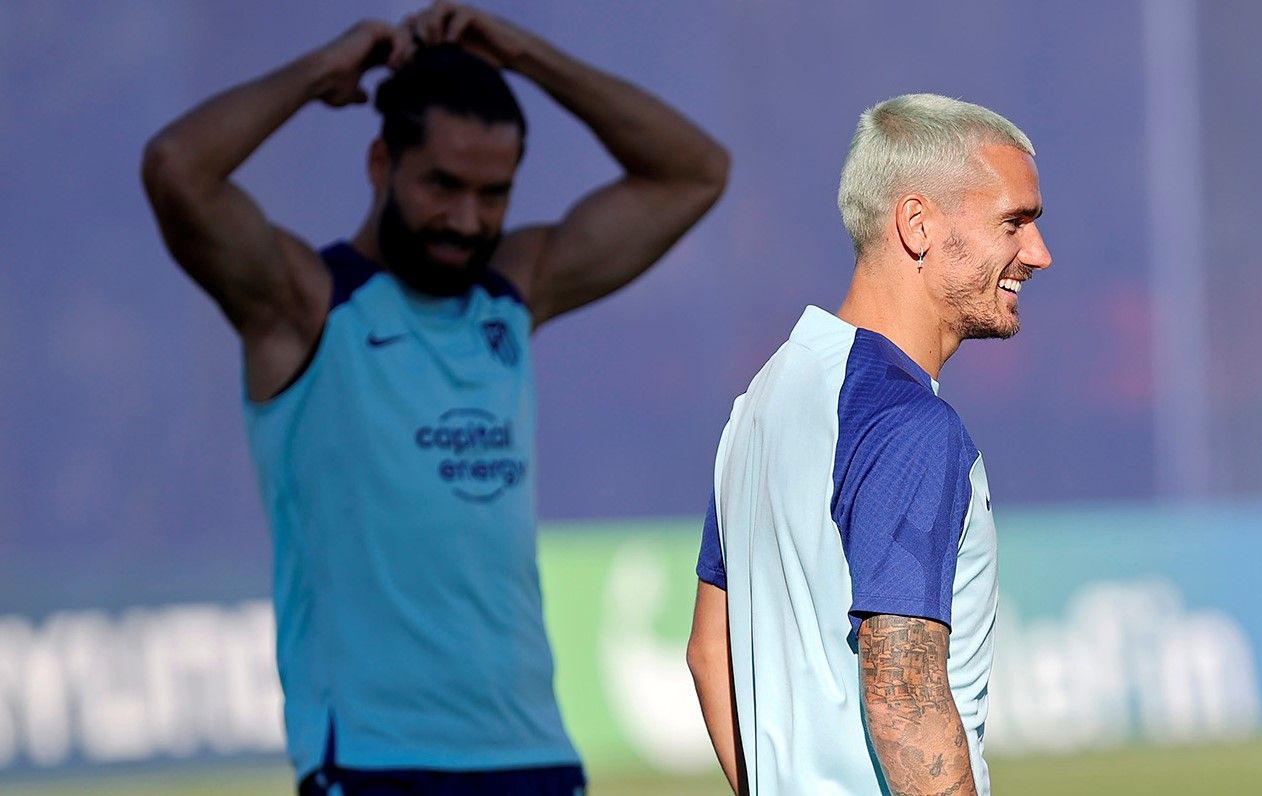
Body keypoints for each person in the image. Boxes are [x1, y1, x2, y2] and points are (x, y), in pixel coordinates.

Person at [141, 3, 727, 793]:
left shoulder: (513, 293)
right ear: (380, 162)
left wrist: (528, 57)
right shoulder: (302, 306)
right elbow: (177, 165)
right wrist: (323, 68)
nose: (465, 218)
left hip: (533, 756)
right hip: (375, 764)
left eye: (493, 193)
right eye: (442, 185)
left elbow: (695, 170)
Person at [687, 93, 1050, 796]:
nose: (1037, 253)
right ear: (916, 224)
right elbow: (903, 703)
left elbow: (709, 655)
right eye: (1014, 222)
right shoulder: (907, 424)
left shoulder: (761, 400)